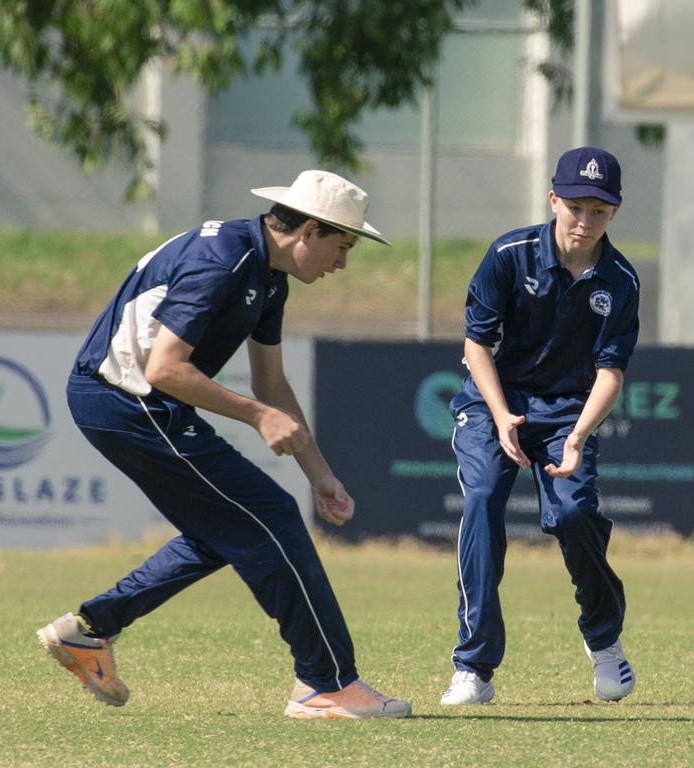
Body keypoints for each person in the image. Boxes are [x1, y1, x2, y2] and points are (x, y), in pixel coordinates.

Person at [37, 170, 411, 720]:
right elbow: (166, 369)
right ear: (308, 231)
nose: (342, 264)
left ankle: (90, 630)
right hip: (124, 398)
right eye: (342, 245)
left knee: (227, 530)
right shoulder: (225, 260)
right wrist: (258, 418)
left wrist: (319, 473)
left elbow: (272, 385)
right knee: (272, 516)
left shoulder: (268, 273)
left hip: (130, 400)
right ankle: (326, 684)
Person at [440, 147, 640, 706]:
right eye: (574, 206)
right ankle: (473, 668)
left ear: (614, 212)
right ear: (553, 199)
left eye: (598, 211)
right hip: (491, 403)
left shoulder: (620, 280)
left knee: (574, 514)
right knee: (481, 500)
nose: (584, 221)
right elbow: (476, 344)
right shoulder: (509, 254)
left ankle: (603, 640)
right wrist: (502, 416)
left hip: (566, 415)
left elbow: (611, 374)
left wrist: (577, 437)